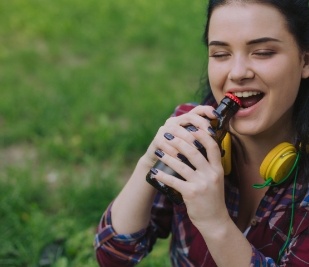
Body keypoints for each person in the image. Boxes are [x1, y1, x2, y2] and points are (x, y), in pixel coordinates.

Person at [94, 0, 309, 266]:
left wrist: (215, 222)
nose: (237, 72)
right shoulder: (189, 132)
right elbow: (113, 255)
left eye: (262, 52)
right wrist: (149, 163)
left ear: (305, 60)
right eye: (220, 54)